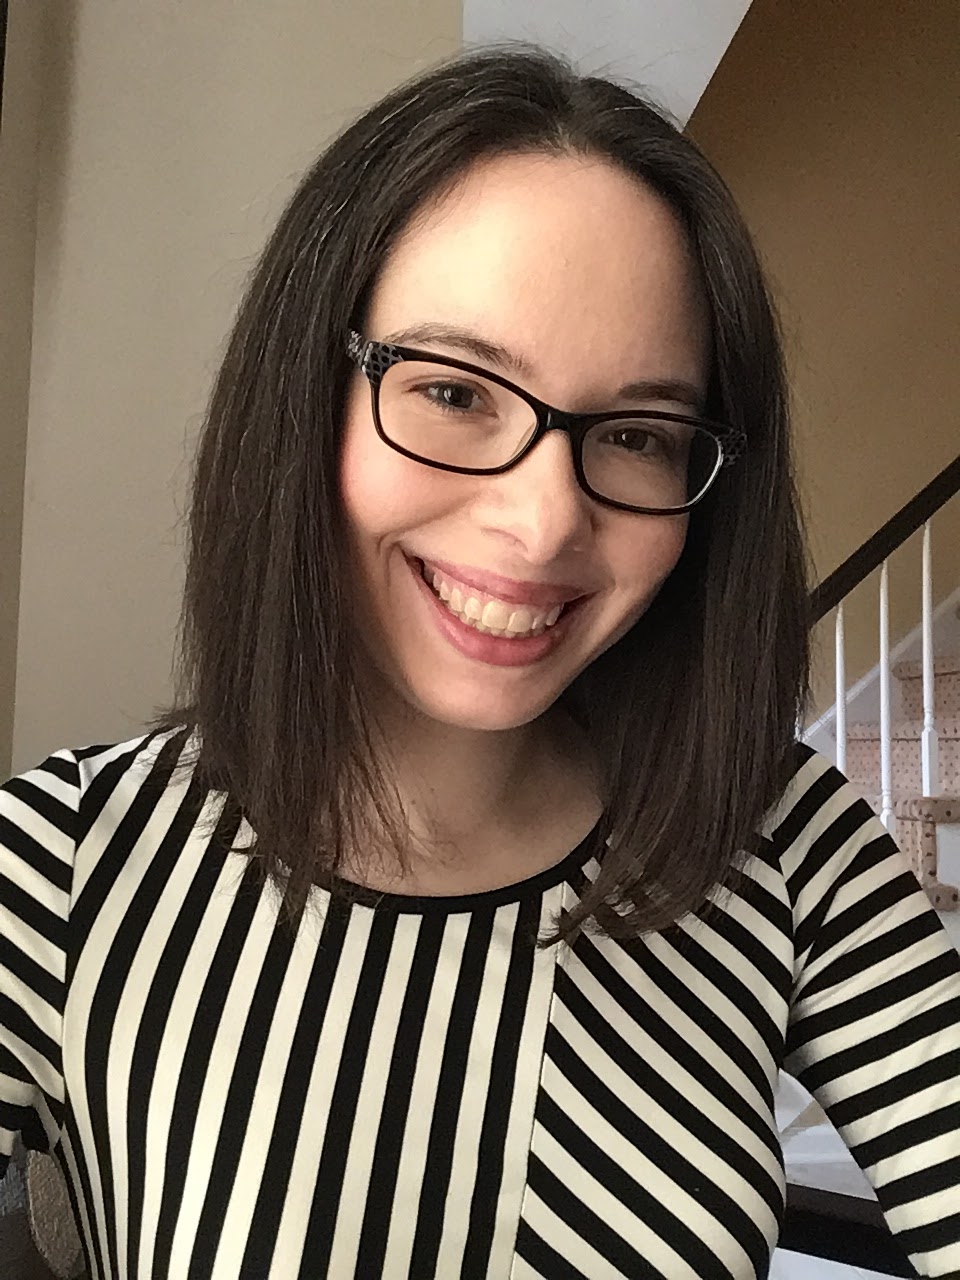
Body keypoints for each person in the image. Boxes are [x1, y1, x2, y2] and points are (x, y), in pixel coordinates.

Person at [1, 42, 958, 1280]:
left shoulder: (783, 840)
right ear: (306, 396)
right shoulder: (67, 860)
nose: (546, 521)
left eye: (636, 433)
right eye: (455, 393)